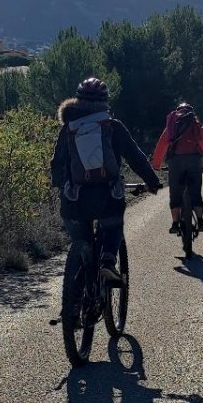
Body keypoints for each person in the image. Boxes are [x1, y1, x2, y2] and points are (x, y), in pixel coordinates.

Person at [50, 78, 161, 290]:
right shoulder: (112, 127)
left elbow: (57, 163)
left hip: (75, 198)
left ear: (78, 99)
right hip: (107, 195)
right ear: (105, 101)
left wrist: (60, 186)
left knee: (80, 241)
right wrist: (152, 182)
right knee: (113, 224)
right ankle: (108, 260)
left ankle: (75, 302)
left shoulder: (68, 129)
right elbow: (135, 157)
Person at [152, 102, 203, 235]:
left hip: (176, 161)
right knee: (196, 192)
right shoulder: (196, 124)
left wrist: (156, 164)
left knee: (175, 193)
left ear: (177, 112)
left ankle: (175, 223)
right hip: (194, 160)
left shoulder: (171, 125)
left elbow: (162, 144)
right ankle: (200, 220)